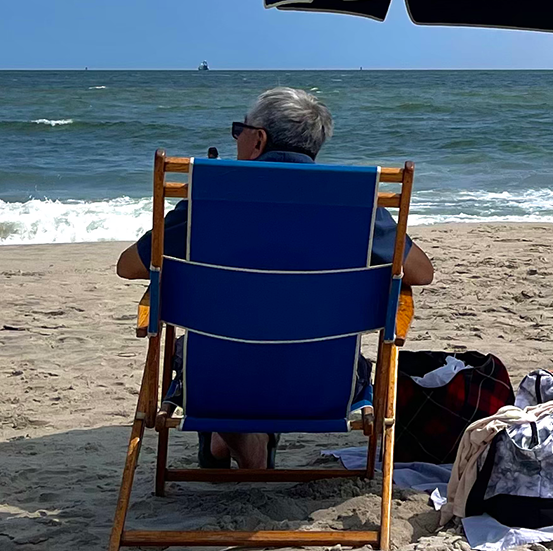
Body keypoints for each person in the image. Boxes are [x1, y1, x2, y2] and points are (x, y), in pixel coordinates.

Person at [117, 85, 433, 469]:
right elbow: (420, 272)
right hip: (323, 386)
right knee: (338, 355)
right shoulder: (357, 204)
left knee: (195, 349)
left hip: (214, 382)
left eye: (240, 130)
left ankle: (229, 433)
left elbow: (129, 267)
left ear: (258, 140)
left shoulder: (209, 201)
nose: (237, 139)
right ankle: (246, 438)